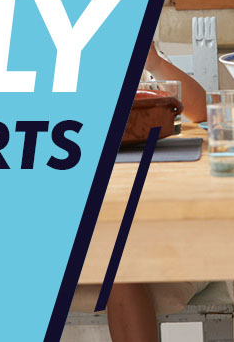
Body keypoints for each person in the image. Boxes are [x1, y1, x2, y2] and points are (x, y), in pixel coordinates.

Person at [68, 41, 209, 341]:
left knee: (121, 259)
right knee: (118, 256)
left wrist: (154, 62)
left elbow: (201, 111)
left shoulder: (143, 80)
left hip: (142, 223)